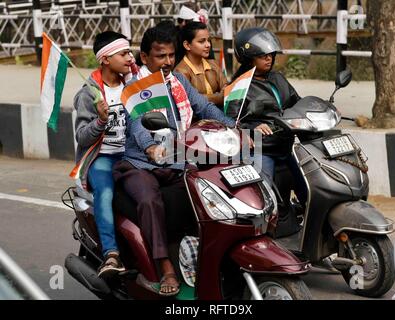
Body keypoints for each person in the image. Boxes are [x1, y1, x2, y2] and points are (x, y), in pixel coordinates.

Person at [112, 26, 235, 296]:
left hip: (180, 160)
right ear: (144, 57)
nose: (167, 62)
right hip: (140, 164)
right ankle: (165, 265)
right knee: (148, 199)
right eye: (160, 56)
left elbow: (205, 107)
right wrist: (151, 149)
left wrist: (234, 128)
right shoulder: (134, 88)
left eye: (171, 55)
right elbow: (138, 122)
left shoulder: (178, 80)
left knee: (211, 189)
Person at [73, 31, 135, 278]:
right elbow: (82, 136)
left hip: (132, 155)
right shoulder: (89, 93)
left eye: (130, 52)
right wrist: (100, 120)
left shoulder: (133, 85)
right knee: (105, 192)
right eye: (124, 53)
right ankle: (111, 254)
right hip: (103, 157)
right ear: (105, 59)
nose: (130, 57)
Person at [225, 27, 307, 205]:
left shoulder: (277, 78)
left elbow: (297, 102)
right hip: (263, 149)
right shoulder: (239, 86)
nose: (269, 58)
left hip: (286, 145)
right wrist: (252, 128)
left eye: (270, 54)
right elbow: (231, 122)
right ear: (248, 58)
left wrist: (317, 109)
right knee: (264, 197)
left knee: (309, 186)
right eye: (262, 55)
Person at [175, 22, 227, 109]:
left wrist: (207, 97)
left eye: (208, 40)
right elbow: (192, 100)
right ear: (187, 45)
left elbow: (226, 88)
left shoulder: (213, 64)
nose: (208, 45)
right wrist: (218, 97)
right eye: (202, 41)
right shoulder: (180, 72)